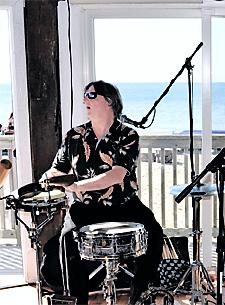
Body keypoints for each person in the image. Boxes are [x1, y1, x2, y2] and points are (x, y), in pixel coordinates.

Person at [40, 80, 164, 305]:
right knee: (66, 243)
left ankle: (139, 296)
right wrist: (49, 176)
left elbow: (117, 175)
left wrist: (79, 186)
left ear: (109, 101)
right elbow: (58, 167)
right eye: (84, 95)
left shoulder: (127, 135)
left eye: (91, 95)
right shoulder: (73, 136)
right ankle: (78, 300)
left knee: (154, 234)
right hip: (85, 208)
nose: (84, 99)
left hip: (124, 206)